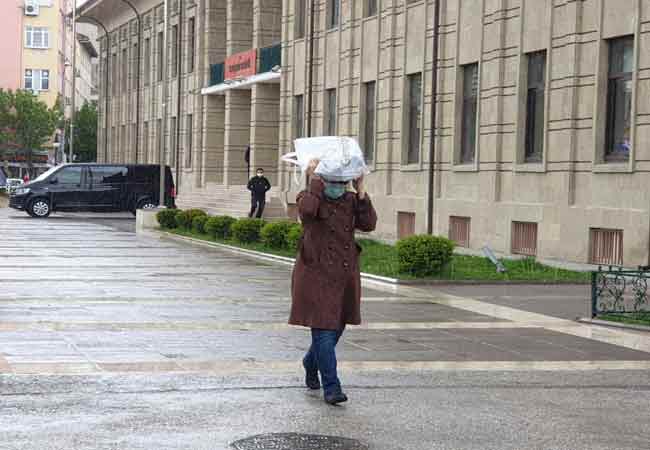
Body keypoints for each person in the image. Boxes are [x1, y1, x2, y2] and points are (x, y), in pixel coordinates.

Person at [289, 159, 377, 405]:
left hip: (344, 274)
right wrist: (314, 178)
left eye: (342, 182)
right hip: (315, 274)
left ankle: (310, 361)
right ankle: (332, 387)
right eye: (332, 181)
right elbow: (307, 212)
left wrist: (361, 191)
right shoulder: (307, 197)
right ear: (323, 181)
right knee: (324, 330)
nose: (337, 186)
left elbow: (369, 224)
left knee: (336, 327)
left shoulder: (350, 201)